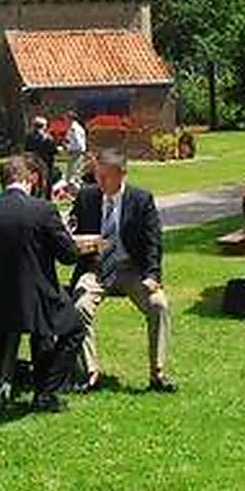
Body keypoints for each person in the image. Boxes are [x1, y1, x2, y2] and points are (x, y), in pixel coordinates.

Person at [0, 155, 83, 413]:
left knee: (44, 319)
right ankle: (47, 391)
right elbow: (69, 256)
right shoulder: (43, 210)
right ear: (31, 179)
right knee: (73, 326)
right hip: (36, 301)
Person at [69, 150, 175, 393]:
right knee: (78, 306)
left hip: (131, 269)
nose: (101, 182)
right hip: (95, 269)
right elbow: (71, 232)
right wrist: (80, 243)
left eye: (106, 177)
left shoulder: (141, 199)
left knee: (159, 305)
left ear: (122, 174)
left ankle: (157, 374)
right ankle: (90, 371)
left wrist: (153, 276)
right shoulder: (86, 197)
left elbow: (153, 241)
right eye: (98, 176)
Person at [24, 116, 58, 199]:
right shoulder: (48, 138)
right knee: (45, 182)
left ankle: (32, 196)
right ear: (44, 126)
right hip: (46, 162)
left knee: (33, 181)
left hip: (33, 161)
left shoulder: (29, 137)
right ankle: (46, 198)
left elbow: (27, 149)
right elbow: (54, 151)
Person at [62, 111, 88, 185]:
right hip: (75, 152)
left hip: (76, 152)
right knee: (73, 172)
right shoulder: (72, 127)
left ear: (70, 119)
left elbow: (79, 144)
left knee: (73, 174)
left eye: (66, 118)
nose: (65, 120)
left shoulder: (74, 129)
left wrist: (68, 147)